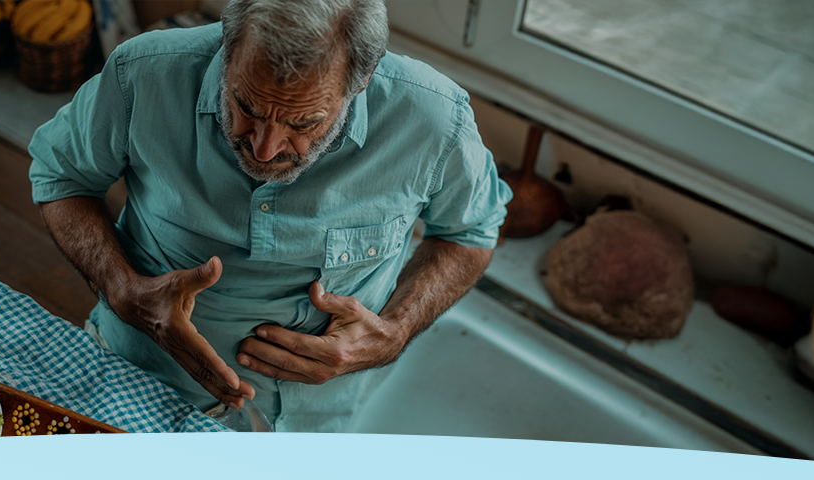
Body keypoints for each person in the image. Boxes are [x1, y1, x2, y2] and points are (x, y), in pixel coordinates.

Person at [28, 0, 511, 432]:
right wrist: (120, 288)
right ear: (228, 44)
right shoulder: (142, 74)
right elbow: (62, 176)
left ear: (361, 82)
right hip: (137, 376)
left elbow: (470, 230)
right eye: (244, 106)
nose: (264, 147)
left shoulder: (433, 120)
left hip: (319, 417)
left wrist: (396, 331)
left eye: (303, 123)